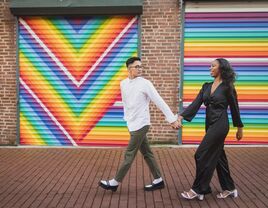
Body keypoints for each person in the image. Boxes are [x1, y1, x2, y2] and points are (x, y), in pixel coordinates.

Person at [99, 57, 180, 192]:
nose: (139, 69)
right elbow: (126, 103)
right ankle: (158, 180)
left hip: (142, 123)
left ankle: (115, 182)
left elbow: (159, 101)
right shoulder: (123, 83)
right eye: (137, 66)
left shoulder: (145, 83)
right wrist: (127, 118)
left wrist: (171, 119)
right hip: (131, 123)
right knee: (147, 153)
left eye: (140, 66)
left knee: (129, 153)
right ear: (129, 68)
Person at [179, 58, 244, 200]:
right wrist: (181, 117)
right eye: (210, 66)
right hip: (209, 124)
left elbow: (234, 108)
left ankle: (200, 189)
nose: (210, 68)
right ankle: (229, 188)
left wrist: (239, 128)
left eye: (213, 66)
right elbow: (195, 104)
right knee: (219, 158)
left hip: (221, 124)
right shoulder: (206, 86)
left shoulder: (228, 87)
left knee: (201, 154)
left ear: (221, 68)